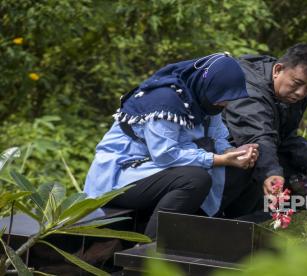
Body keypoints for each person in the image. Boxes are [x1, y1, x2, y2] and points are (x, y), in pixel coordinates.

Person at [83, 53, 258, 240]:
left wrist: (233, 152)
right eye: (222, 97)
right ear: (208, 85)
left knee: (242, 168)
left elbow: (217, 136)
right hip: (121, 175)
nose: (225, 103)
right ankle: (148, 248)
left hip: (157, 170)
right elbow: (165, 155)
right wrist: (219, 159)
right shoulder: (166, 100)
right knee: (195, 179)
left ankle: (209, 234)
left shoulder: (205, 99)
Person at [220, 43, 307, 217]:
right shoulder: (247, 86)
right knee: (255, 161)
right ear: (278, 69)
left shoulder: (284, 92)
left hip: (255, 148)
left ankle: (289, 213)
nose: (301, 93)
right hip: (220, 158)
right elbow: (257, 136)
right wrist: (272, 173)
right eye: (297, 83)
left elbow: (285, 137)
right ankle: (242, 219)